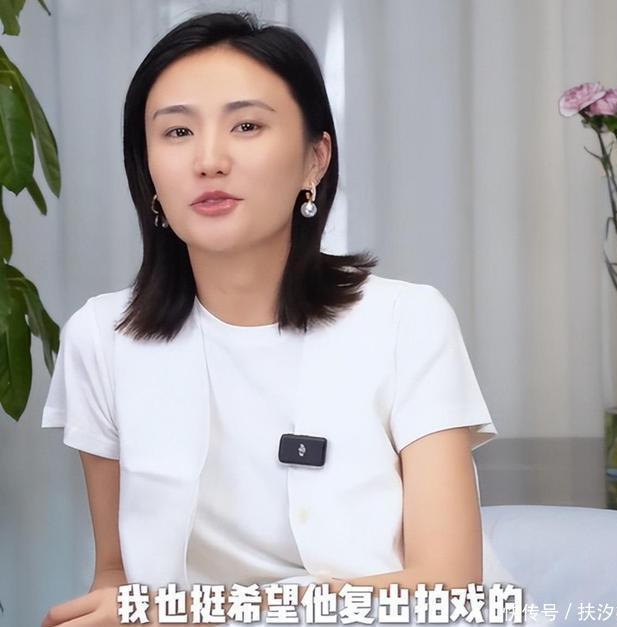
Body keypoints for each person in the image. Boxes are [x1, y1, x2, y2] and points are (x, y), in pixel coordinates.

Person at [40, 10, 499, 627]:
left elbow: (448, 587)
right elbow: (117, 579)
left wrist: (194, 612)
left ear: (315, 160)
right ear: (147, 171)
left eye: (247, 125)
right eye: (177, 132)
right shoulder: (101, 338)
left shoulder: (406, 322)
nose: (209, 160)